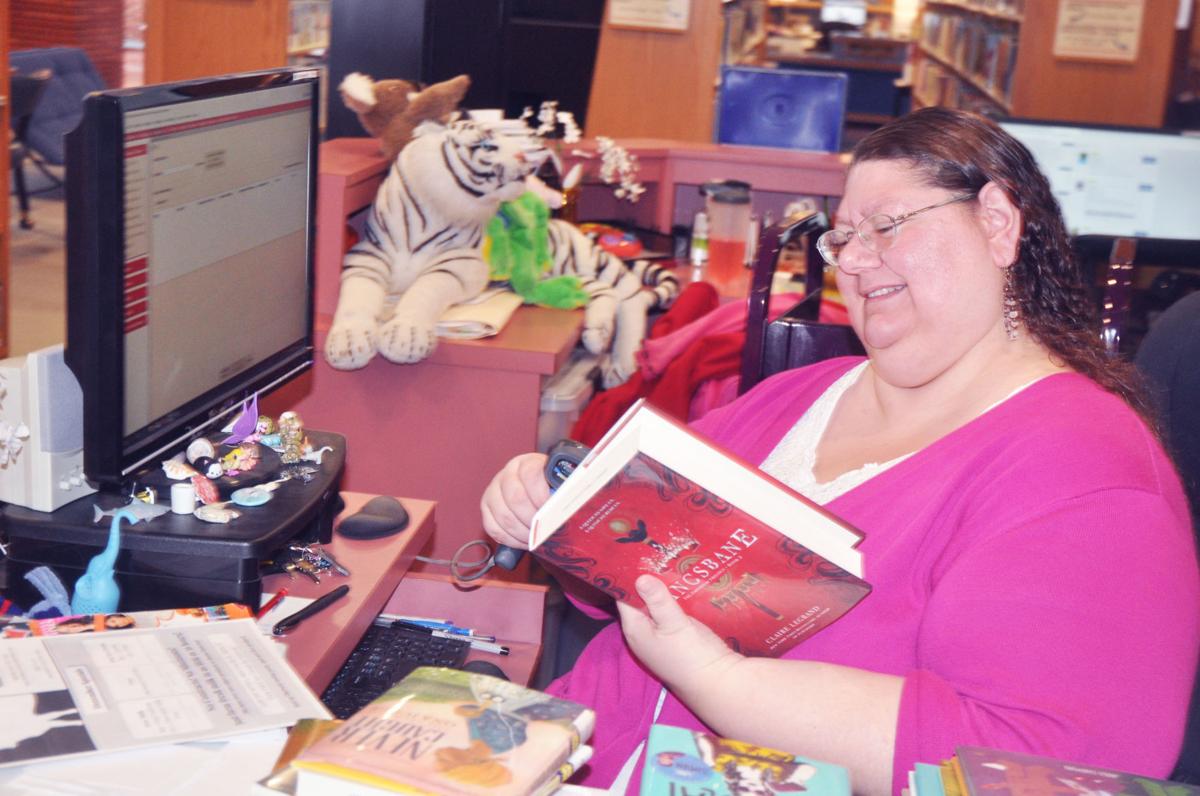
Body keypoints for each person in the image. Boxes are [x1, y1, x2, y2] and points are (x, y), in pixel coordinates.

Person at [480, 107, 1200, 796]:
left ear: (997, 225)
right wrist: (558, 510)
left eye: (886, 227)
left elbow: (1043, 764)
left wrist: (722, 682)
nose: (854, 261)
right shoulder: (800, 394)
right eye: (843, 238)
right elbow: (635, 578)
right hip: (564, 753)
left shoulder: (1090, 477)